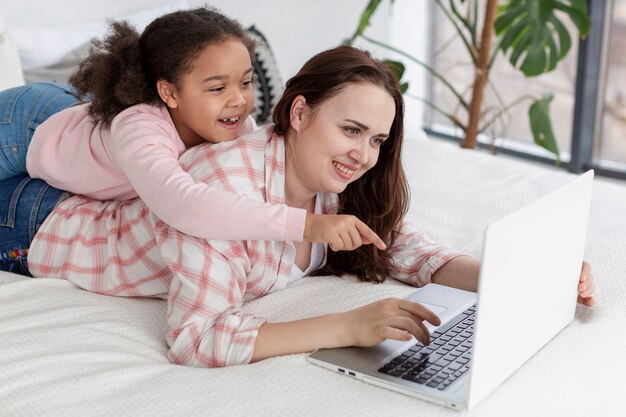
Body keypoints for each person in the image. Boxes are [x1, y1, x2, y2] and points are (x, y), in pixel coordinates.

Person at [1, 46, 596, 368]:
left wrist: (523, 280)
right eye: (352, 129)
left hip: (81, 169)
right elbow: (196, 339)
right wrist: (346, 326)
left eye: (378, 140)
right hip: (36, 226)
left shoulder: (329, 179)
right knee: (36, 113)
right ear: (300, 113)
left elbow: (405, 248)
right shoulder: (222, 187)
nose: (364, 154)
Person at [0, 7, 384, 272]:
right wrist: (305, 225)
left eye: (246, 83)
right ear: (169, 93)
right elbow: (183, 205)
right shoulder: (139, 127)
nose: (239, 100)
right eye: (218, 87)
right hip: (26, 126)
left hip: (77, 124)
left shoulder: (239, 125)